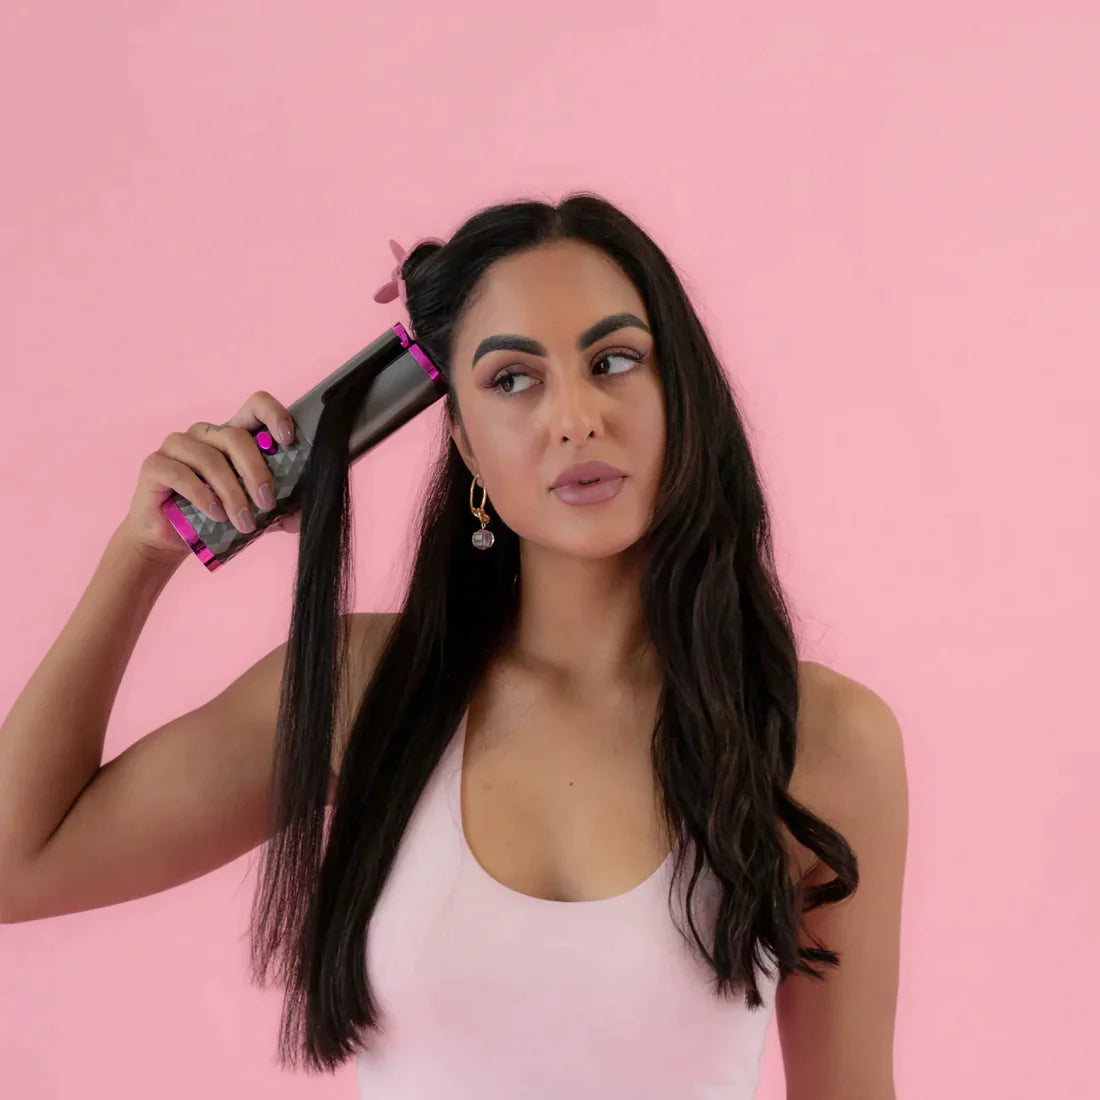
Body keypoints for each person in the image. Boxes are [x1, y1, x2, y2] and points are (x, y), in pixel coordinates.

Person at [0, 192, 906, 1098]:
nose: (575, 416)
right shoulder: (367, 691)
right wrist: (141, 555)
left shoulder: (820, 737)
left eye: (615, 360)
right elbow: (16, 866)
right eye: (512, 378)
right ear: (465, 444)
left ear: (684, 398)